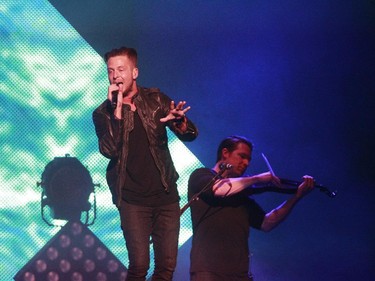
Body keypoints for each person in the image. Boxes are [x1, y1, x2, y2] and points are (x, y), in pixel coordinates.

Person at [92, 46, 198, 281]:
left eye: (121, 69)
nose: (116, 76)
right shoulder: (102, 113)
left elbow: (190, 134)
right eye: (111, 71)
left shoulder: (156, 99)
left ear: (135, 72)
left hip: (165, 197)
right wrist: (116, 110)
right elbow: (109, 150)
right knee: (139, 266)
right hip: (132, 200)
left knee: (166, 267)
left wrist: (180, 124)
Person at [188, 135, 314, 281]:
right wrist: (257, 178)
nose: (246, 163)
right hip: (208, 271)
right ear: (225, 153)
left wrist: (296, 197)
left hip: (240, 274)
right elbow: (219, 189)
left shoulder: (242, 194)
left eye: (249, 159)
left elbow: (267, 223)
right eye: (242, 156)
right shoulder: (201, 175)